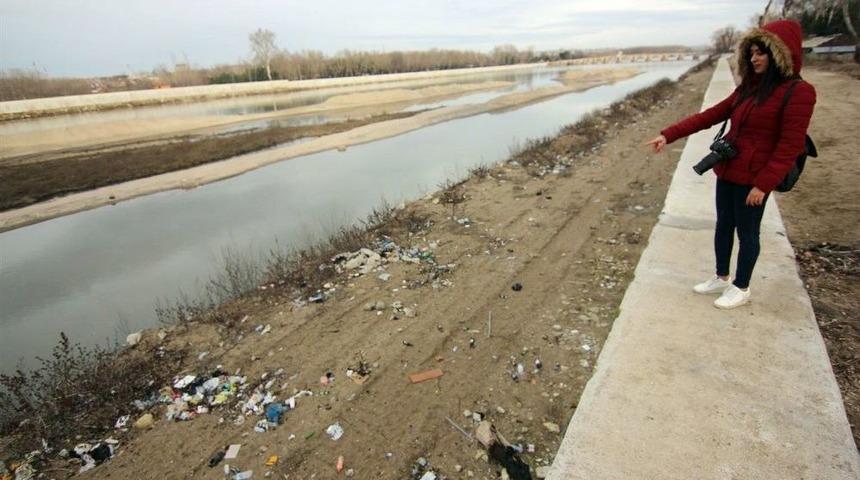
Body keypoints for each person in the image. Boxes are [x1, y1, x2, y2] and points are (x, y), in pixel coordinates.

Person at [645, 19, 816, 309]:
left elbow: (789, 146)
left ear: (780, 53)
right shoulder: (749, 88)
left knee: (747, 233)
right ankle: (721, 277)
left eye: (761, 52)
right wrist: (668, 134)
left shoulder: (799, 92)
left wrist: (763, 185)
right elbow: (710, 115)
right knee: (723, 225)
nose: (754, 58)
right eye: (751, 53)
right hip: (728, 169)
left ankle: (741, 286)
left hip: (755, 179)